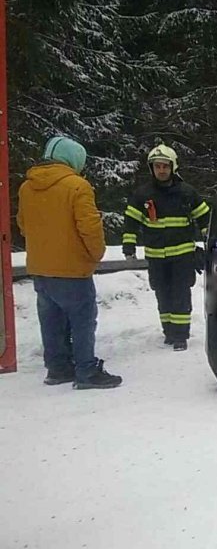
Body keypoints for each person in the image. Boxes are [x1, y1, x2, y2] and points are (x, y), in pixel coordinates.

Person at [16, 136, 123, 389]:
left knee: (51, 320)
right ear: (74, 159)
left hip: (40, 268)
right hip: (72, 269)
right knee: (82, 320)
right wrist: (96, 254)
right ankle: (86, 370)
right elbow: (89, 226)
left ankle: (58, 368)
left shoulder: (26, 187)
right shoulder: (77, 186)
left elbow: (22, 224)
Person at [122, 143, 211, 351]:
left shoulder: (187, 193)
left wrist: (211, 242)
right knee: (162, 293)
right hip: (155, 256)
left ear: (173, 167)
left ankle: (180, 336)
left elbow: (205, 219)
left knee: (180, 294)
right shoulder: (142, 195)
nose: (161, 170)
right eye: (157, 166)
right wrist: (129, 246)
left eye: (165, 166)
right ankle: (168, 331)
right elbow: (131, 223)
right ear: (151, 169)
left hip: (182, 255)